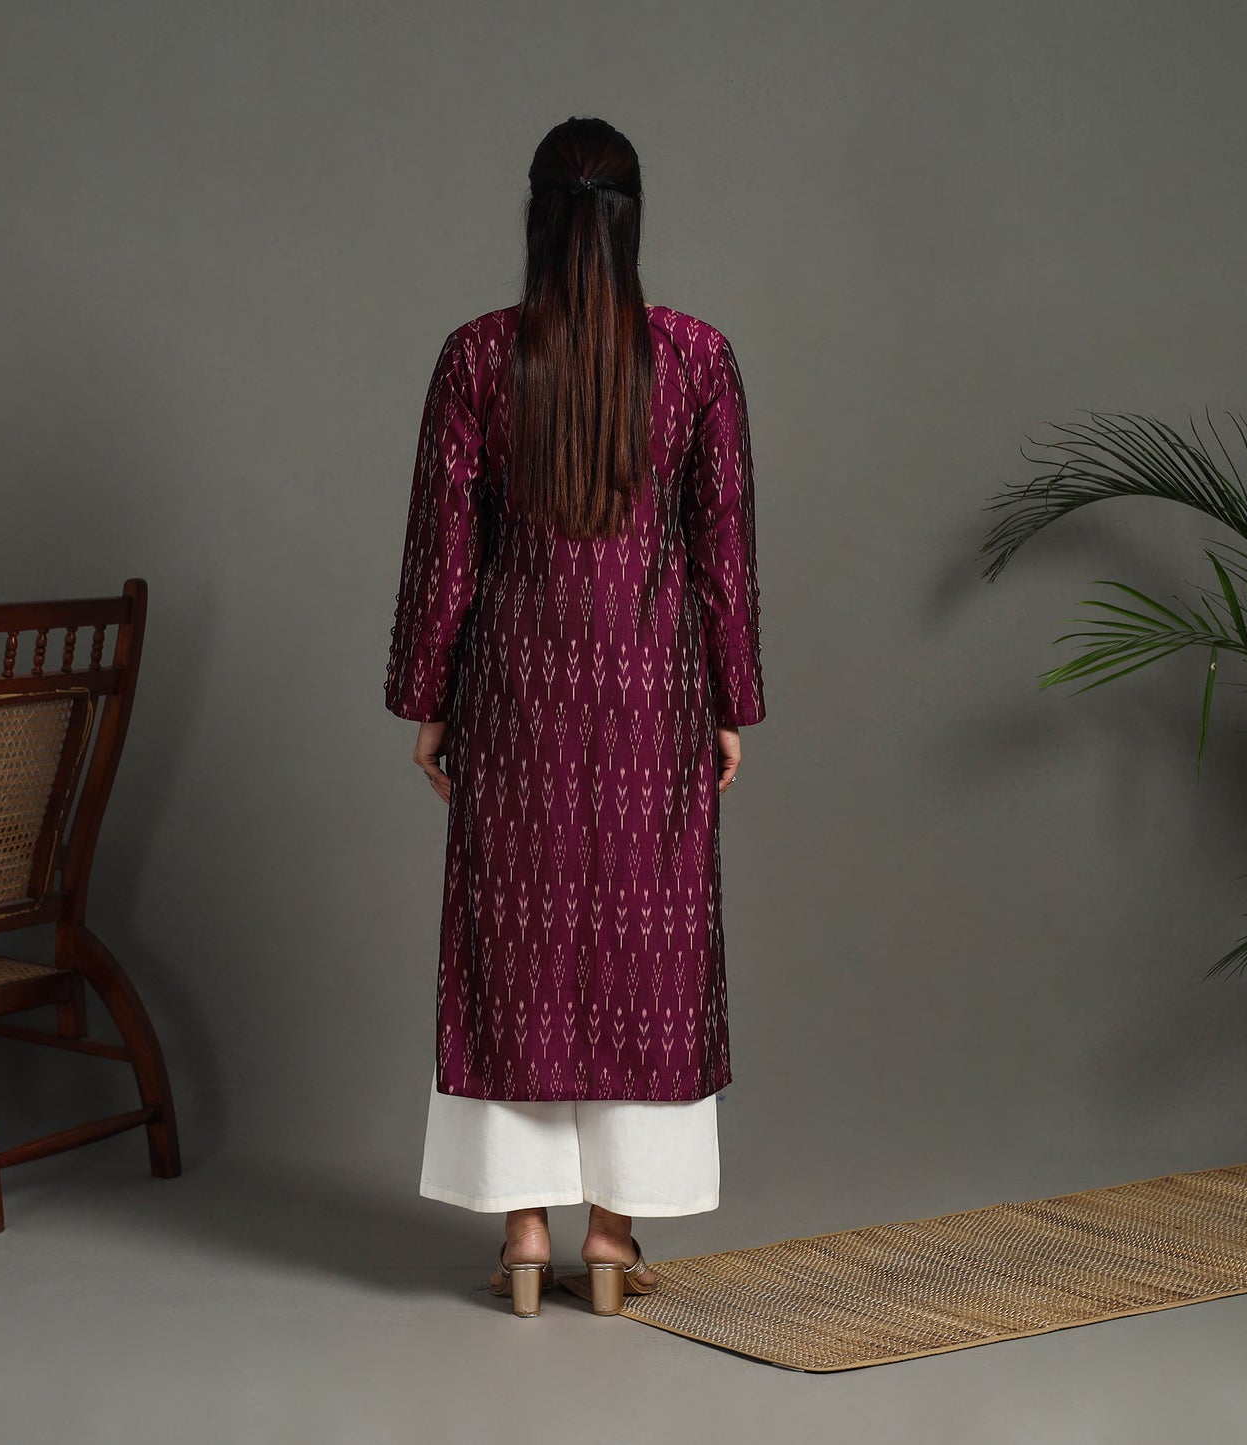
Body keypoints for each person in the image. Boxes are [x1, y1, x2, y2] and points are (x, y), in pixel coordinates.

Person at [383, 115, 766, 1318]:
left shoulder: (476, 357)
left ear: (536, 216)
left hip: (516, 689)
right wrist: (729, 701)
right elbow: (721, 551)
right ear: (630, 218)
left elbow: (445, 552)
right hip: (653, 690)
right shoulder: (696, 357)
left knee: (515, 942)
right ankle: (610, 1239)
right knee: (647, 947)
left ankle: (520, 1239)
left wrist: (429, 699)